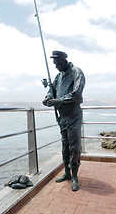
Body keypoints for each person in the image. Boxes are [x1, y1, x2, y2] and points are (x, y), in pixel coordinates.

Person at [43, 50, 85, 191]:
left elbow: (77, 94)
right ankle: (67, 173)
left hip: (74, 116)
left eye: (57, 63)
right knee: (65, 146)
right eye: (54, 64)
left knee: (74, 147)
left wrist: (58, 101)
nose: (55, 67)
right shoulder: (59, 76)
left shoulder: (76, 72)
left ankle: (75, 177)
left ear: (63, 60)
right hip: (63, 117)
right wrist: (48, 98)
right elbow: (53, 91)